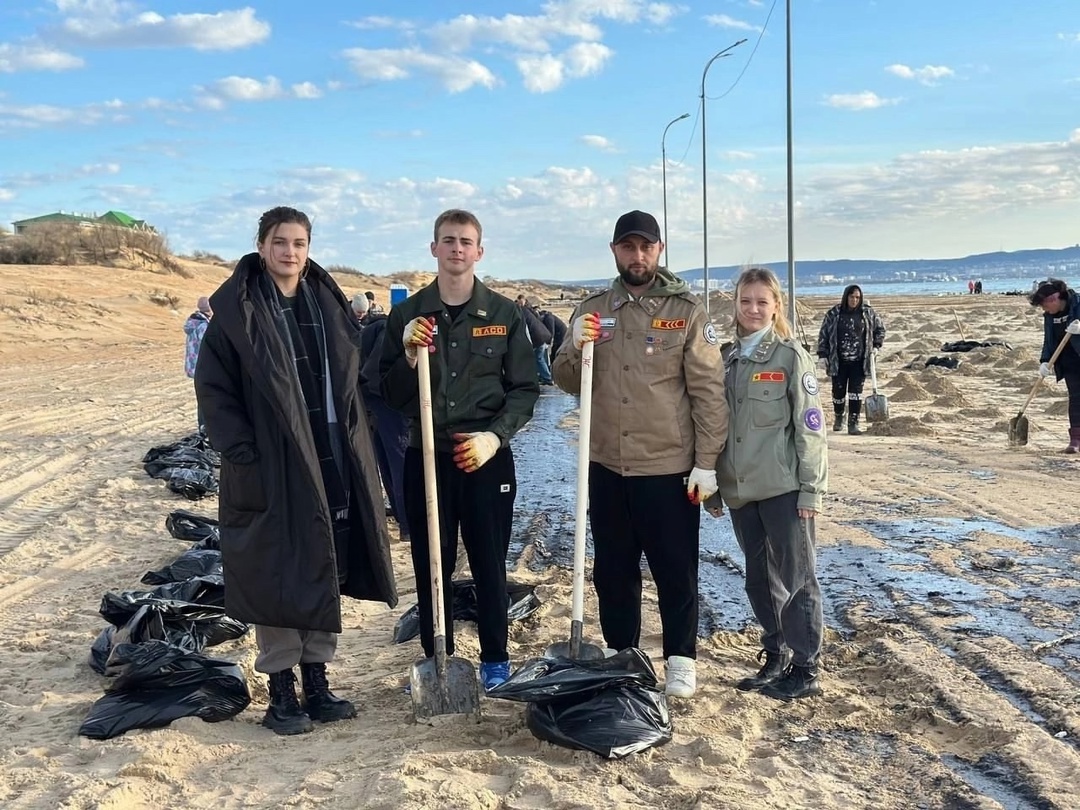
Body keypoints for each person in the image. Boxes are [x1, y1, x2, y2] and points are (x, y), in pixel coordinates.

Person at [195, 206, 397, 735]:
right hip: (269, 464)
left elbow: (355, 381)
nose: (290, 252)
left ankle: (319, 684)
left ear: (308, 249)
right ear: (262, 247)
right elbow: (214, 394)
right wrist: (245, 454)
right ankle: (281, 693)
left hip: (330, 456)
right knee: (278, 570)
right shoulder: (237, 316)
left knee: (323, 560)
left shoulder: (326, 305)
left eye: (299, 243)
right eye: (280, 242)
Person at [551, 209, 728, 699]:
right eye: (628, 247)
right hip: (607, 464)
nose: (637, 255)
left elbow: (709, 393)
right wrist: (574, 344)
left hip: (668, 467)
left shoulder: (686, 311)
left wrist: (708, 462)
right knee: (613, 570)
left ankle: (680, 659)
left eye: (645, 246)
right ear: (615, 252)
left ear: (659, 250)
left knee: (675, 569)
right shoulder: (592, 309)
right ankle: (619, 652)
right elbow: (566, 380)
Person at [379, 209, 539, 692]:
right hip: (427, 455)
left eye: (465, 242)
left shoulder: (505, 314)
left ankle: (495, 658)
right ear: (433, 249)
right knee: (433, 561)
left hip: (485, 457)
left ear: (479, 251)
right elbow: (388, 393)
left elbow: (525, 388)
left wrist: (495, 437)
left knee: (489, 559)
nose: (456, 249)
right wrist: (408, 358)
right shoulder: (409, 315)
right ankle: (437, 656)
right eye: (447, 240)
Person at [704, 266, 829, 702]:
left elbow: (810, 428)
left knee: (797, 579)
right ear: (735, 305)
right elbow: (718, 428)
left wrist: (811, 488)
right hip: (741, 491)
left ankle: (805, 665)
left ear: (776, 306)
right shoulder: (726, 360)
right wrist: (715, 486)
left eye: (762, 301)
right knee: (759, 581)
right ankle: (775, 653)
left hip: (783, 488)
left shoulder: (790, 357)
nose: (753, 309)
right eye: (745, 301)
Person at [358, 297, 411, 541]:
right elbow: (378, 370)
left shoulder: (367, 329)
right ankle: (408, 525)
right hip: (388, 401)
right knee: (401, 462)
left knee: (387, 461)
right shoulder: (391, 329)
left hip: (369, 400)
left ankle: (403, 520)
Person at [815, 284, 886, 435]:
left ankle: (853, 422)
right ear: (846, 297)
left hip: (859, 361)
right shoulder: (834, 313)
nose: (854, 300)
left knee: (856, 393)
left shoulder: (867, 313)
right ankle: (839, 416)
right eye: (852, 297)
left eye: (857, 297)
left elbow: (880, 329)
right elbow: (824, 334)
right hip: (838, 361)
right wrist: (822, 354)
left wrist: (876, 346)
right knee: (838, 392)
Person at [1030, 279, 1080, 452]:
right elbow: (1048, 340)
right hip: (1068, 361)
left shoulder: (1078, 303)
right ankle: (1076, 441)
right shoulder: (1049, 317)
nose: (1044, 310)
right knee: (1076, 399)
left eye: (1044, 306)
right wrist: (1044, 360)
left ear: (1053, 299)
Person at [184, 296, 212, 432]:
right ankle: (205, 426)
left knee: (202, 396)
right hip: (202, 367)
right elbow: (208, 347)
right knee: (207, 397)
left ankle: (203, 424)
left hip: (194, 366)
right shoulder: (203, 326)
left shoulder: (193, 323)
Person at [516, 295, 554, 385]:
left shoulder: (520, 313)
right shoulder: (528, 311)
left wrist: (528, 344)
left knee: (534, 358)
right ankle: (545, 377)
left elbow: (525, 330)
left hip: (537, 338)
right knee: (540, 358)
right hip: (543, 335)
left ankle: (545, 378)